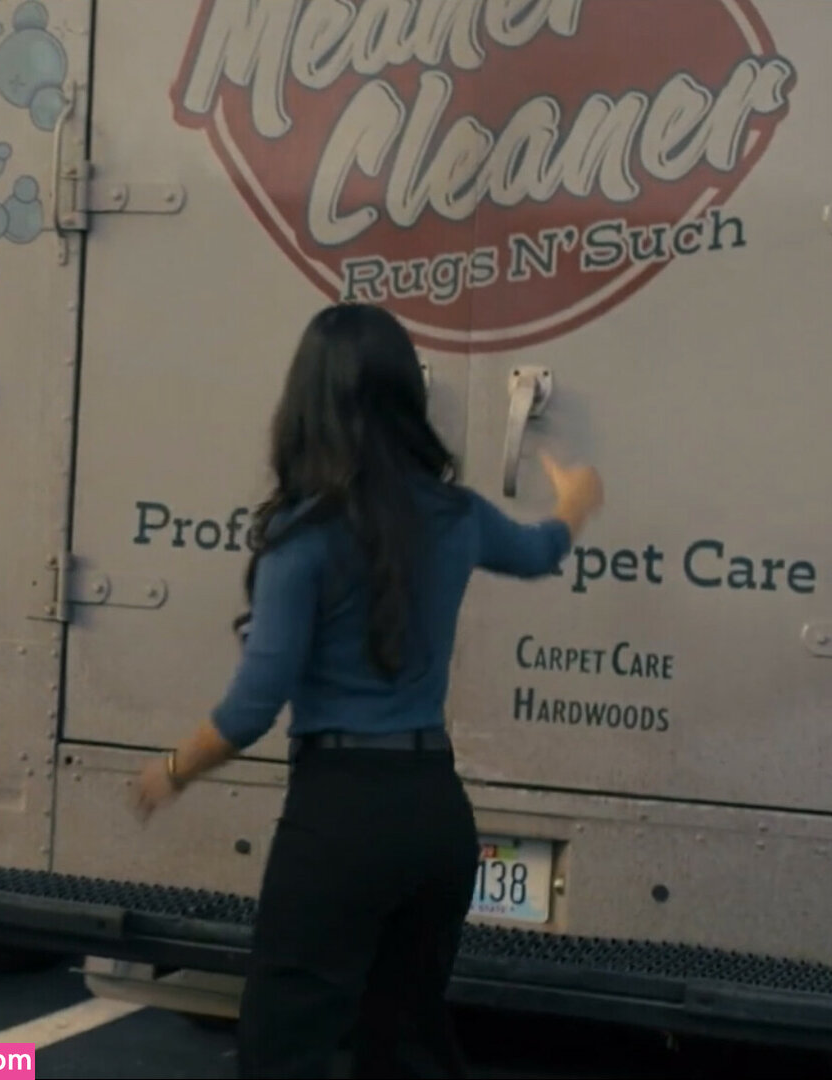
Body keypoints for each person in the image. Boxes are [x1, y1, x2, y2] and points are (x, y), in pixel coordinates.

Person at [135, 303, 603, 1079]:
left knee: (286, 1043)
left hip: (341, 817)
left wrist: (172, 771)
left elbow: (253, 706)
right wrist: (574, 507)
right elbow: (536, 552)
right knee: (405, 1044)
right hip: (436, 814)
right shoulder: (456, 514)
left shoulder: (304, 536)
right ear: (406, 398)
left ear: (305, 403)